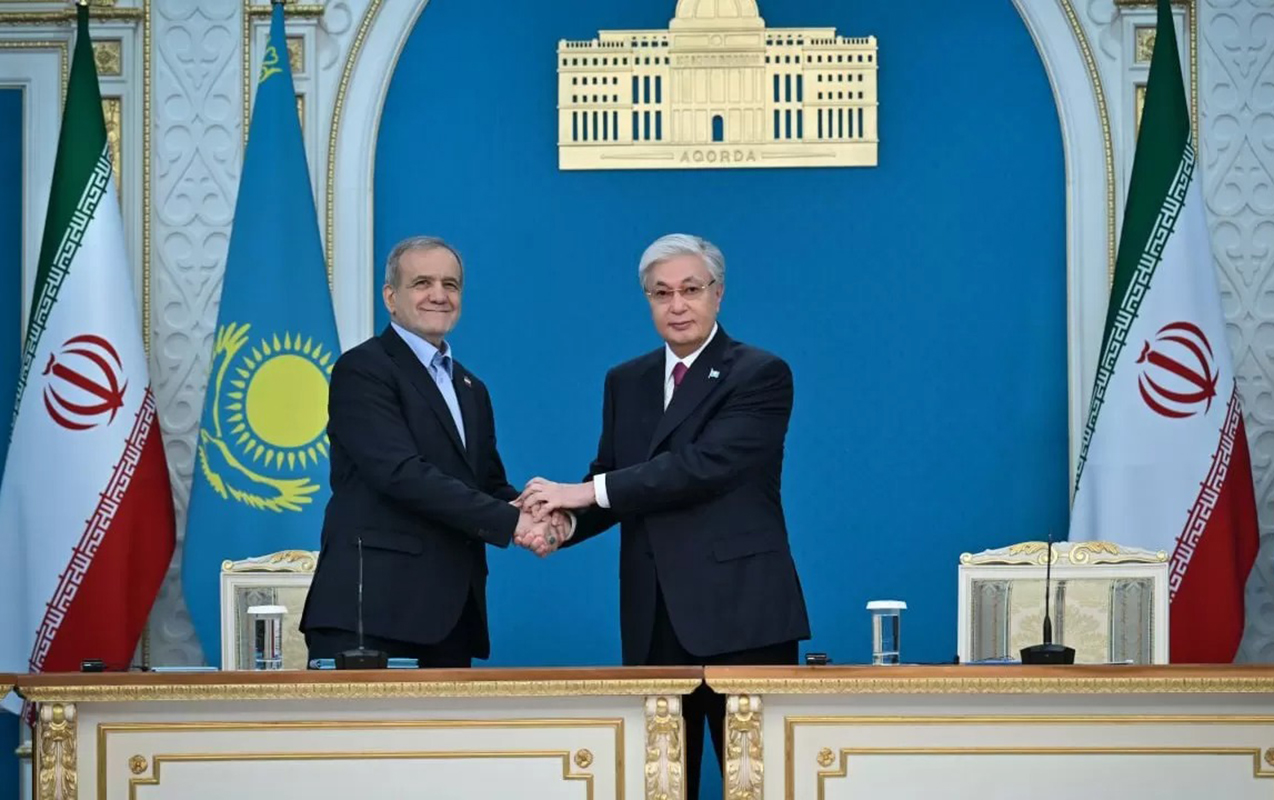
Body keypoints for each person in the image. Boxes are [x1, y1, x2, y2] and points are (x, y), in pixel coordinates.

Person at [519, 233, 810, 797]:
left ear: (717, 294)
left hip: (742, 614)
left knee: (758, 783)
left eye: (690, 290)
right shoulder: (625, 381)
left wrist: (580, 493)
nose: (677, 305)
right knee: (661, 786)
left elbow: (702, 467)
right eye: (662, 293)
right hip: (653, 616)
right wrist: (562, 524)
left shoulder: (760, 373)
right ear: (648, 300)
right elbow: (612, 478)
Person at [300, 235, 566, 667]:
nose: (439, 295)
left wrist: (547, 511)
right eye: (422, 283)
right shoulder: (363, 369)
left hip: (450, 617)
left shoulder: (471, 388)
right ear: (391, 297)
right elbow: (400, 473)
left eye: (450, 284)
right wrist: (513, 521)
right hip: (373, 616)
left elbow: (486, 484)